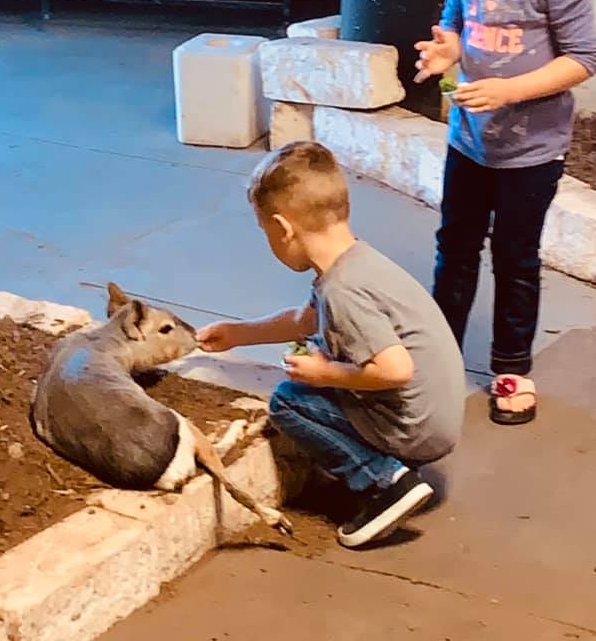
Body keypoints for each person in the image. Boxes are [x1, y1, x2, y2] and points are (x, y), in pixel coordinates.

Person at [415, 0, 596, 425]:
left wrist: (509, 90)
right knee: (455, 246)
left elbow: (583, 59)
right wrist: (446, 51)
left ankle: (512, 368)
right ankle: (440, 354)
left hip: (532, 151)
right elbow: (455, 23)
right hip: (470, 142)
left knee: (516, 258)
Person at [197, 141, 464, 548]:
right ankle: (385, 465)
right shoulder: (357, 263)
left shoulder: (343, 290)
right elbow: (305, 321)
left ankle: (386, 482)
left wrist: (325, 375)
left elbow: (395, 370)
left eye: (265, 231)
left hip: (416, 429)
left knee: (289, 400)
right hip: (434, 416)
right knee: (321, 344)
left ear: (283, 228)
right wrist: (238, 333)